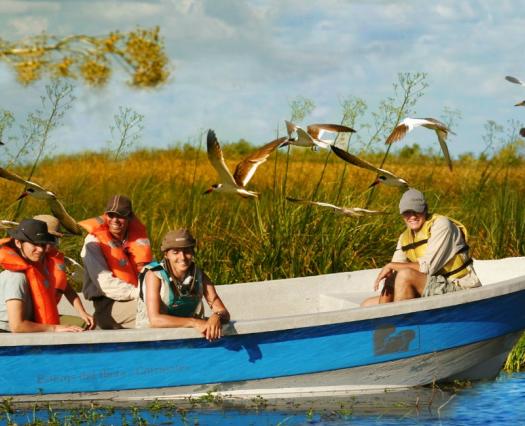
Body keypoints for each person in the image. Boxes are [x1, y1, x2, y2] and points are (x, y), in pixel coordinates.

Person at [362, 188, 481, 306]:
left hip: (460, 287)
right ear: (402, 214)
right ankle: (387, 323)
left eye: (416, 211)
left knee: (405, 275)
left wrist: (390, 265)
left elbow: (427, 268)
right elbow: (392, 274)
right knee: (368, 304)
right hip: (434, 287)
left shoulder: (442, 225)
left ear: (425, 209)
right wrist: (383, 307)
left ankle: (404, 323)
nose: (412, 216)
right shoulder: (404, 237)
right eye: (407, 212)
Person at [136, 228, 230, 341]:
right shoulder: (154, 275)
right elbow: (155, 320)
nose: (183, 257)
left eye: (187, 251)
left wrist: (216, 316)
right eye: (175, 252)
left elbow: (223, 312)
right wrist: (194, 322)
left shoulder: (200, 276)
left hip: (186, 332)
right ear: (166, 254)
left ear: (193, 252)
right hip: (152, 338)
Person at [79, 195, 152, 329]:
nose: (115, 220)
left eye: (121, 216)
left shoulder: (138, 239)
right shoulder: (93, 242)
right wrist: (141, 293)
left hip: (137, 297)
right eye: (111, 215)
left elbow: (150, 273)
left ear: (130, 218)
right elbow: (105, 284)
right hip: (107, 305)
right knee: (152, 311)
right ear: (105, 216)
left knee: (174, 305)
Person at [0, 219, 84, 332]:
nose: (40, 249)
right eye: (34, 244)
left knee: (80, 326)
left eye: (43, 244)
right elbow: (17, 326)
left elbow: (67, 289)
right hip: (6, 336)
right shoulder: (16, 277)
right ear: (18, 243)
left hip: (27, 330)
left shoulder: (40, 270)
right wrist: (55, 328)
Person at [33, 214, 95, 329]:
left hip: (48, 317)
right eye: (49, 239)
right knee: (75, 329)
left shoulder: (54, 262)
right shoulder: (29, 264)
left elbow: (67, 290)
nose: (52, 244)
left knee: (86, 324)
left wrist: (83, 313)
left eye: (55, 240)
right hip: (31, 321)